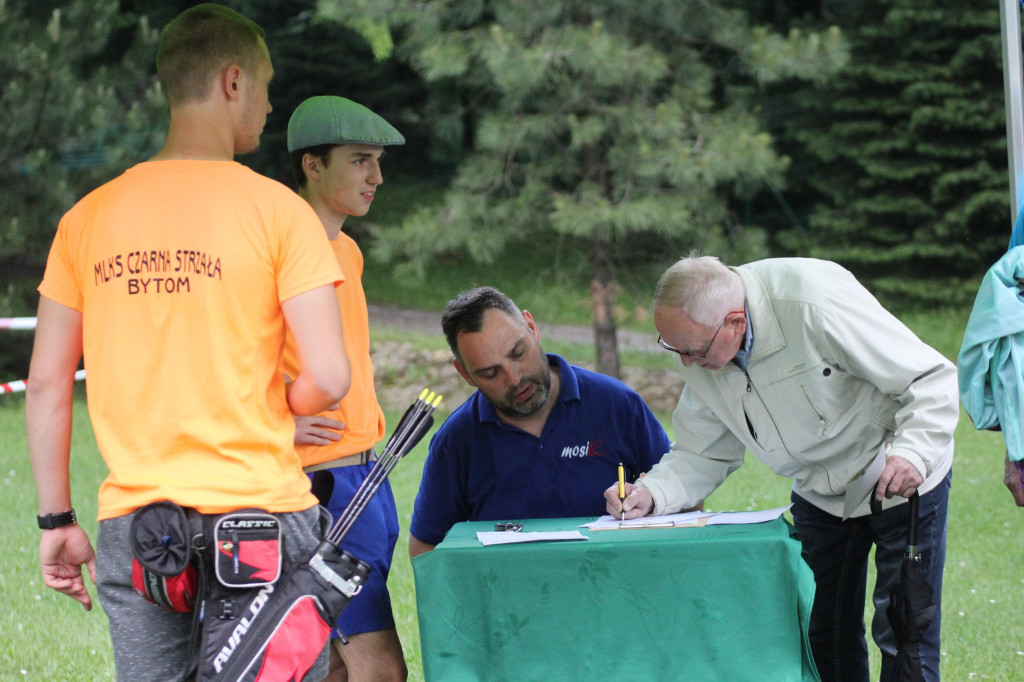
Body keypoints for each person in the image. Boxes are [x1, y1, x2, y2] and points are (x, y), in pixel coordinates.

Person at [25, 5, 349, 680]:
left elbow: (51, 382)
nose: (267, 107)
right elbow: (329, 374)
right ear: (232, 82)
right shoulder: (280, 211)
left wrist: (57, 518)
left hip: (142, 530)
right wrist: (284, 402)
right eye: (264, 86)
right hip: (261, 514)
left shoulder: (87, 218)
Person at [606, 255, 957, 682]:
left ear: (735, 321)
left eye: (693, 351)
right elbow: (703, 451)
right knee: (819, 631)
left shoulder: (815, 302)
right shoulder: (705, 348)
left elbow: (931, 378)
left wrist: (914, 452)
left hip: (896, 472)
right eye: (674, 349)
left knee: (905, 629)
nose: (687, 364)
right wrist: (653, 493)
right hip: (818, 491)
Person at [282, 95, 407, 682]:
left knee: (333, 666)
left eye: (378, 161)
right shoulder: (274, 248)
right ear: (312, 164)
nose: (376, 177)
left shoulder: (347, 250)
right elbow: (213, 354)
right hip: (319, 483)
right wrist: (272, 422)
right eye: (360, 160)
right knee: (379, 670)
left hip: (368, 473)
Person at [409, 286, 670, 558]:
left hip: (618, 590)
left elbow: (684, 503)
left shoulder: (617, 405)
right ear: (465, 373)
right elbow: (426, 548)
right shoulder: (457, 440)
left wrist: (648, 501)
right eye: (490, 372)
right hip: (509, 596)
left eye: (518, 353)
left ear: (532, 327)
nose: (514, 378)